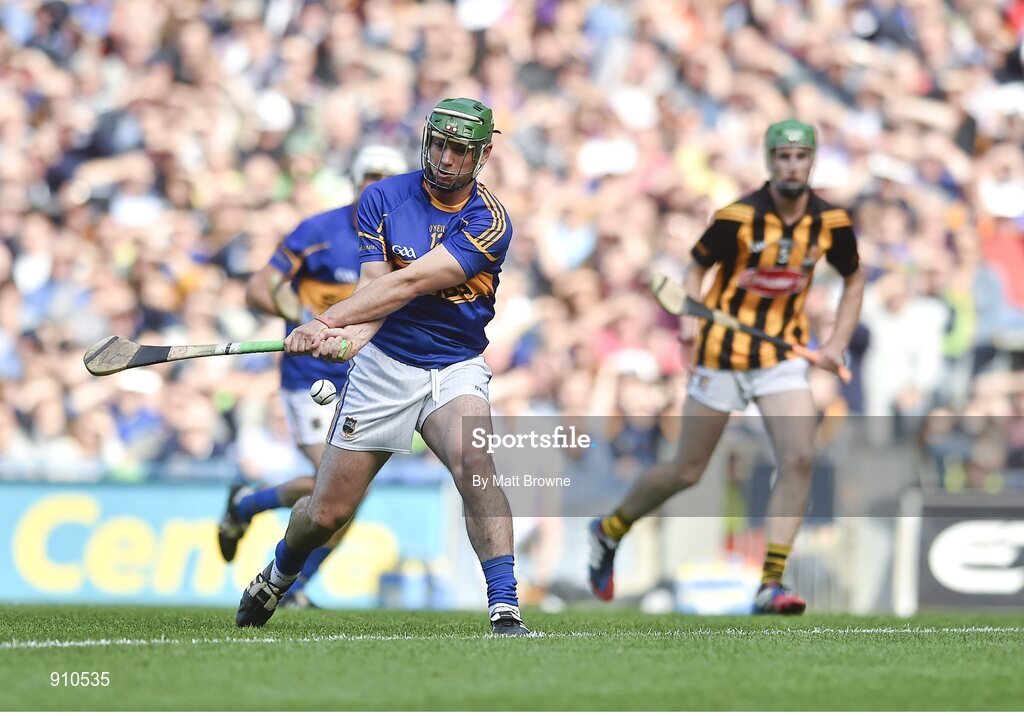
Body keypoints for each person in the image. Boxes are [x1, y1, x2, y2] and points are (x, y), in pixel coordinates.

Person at [235, 98, 530, 635]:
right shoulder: (383, 198)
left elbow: (411, 282)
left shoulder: (489, 221)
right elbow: (376, 292)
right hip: (385, 366)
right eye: (438, 144)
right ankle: (278, 574)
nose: (444, 158)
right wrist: (344, 336)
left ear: (483, 154)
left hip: (454, 365)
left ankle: (505, 608)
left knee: (475, 463)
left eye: (459, 150)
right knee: (325, 515)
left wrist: (323, 320)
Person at [588, 120, 865, 614]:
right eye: (782, 156)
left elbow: (854, 278)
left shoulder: (830, 222)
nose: (791, 165)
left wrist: (838, 342)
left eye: (801, 156)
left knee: (800, 457)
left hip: (780, 356)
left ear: (813, 161)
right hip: (720, 354)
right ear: (769, 160)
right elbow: (695, 270)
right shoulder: (737, 216)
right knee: (687, 470)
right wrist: (691, 332)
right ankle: (610, 530)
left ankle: (770, 583)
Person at [217, 145, 408, 608]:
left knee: (349, 495)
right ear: (355, 181)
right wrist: (303, 316)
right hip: (311, 378)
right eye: (370, 176)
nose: (376, 186)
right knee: (332, 482)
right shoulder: (318, 231)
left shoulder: (407, 243)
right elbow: (260, 288)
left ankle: (286, 574)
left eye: (386, 179)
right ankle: (252, 515)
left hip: (365, 378)